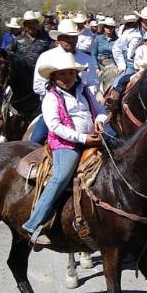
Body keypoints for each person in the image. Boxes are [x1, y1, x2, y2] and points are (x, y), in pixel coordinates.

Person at [21, 52, 107, 246]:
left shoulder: (85, 91)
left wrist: (100, 121)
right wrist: (83, 137)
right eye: (62, 74)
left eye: (70, 73)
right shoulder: (51, 98)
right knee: (61, 177)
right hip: (66, 144)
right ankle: (33, 224)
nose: (67, 78)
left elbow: (101, 111)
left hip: (94, 138)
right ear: (53, 77)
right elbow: (55, 126)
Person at [30, 19, 101, 144]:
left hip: (84, 106)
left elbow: (93, 82)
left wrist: (82, 95)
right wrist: (58, 98)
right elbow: (38, 85)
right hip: (55, 107)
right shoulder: (46, 57)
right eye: (67, 38)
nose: (71, 41)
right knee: (36, 140)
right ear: (58, 39)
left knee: (113, 136)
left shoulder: (86, 58)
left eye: (74, 37)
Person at [111, 14, 142, 92]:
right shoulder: (129, 33)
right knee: (119, 83)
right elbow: (117, 47)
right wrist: (121, 65)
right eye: (145, 19)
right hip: (132, 66)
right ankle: (114, 98)